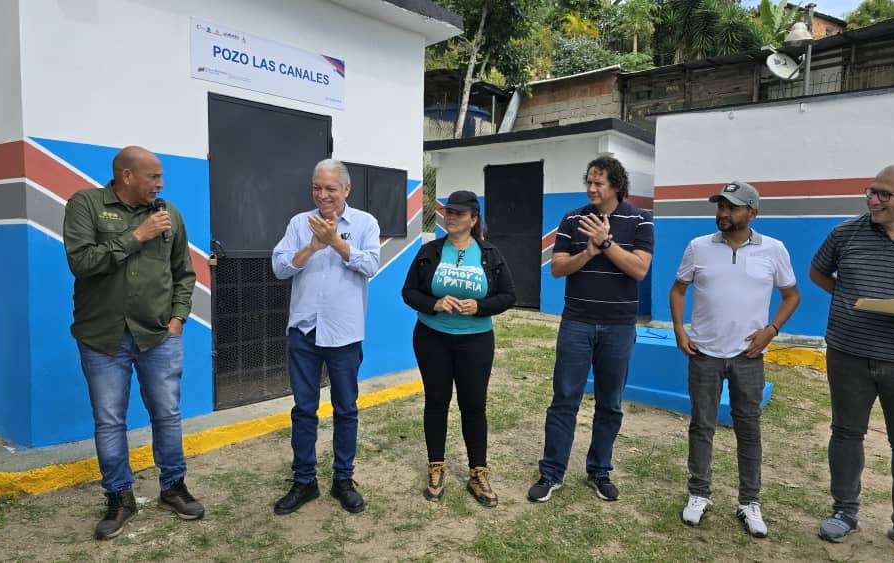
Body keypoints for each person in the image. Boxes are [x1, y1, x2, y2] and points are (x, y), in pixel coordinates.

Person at [63, 146, 203, 541]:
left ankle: (173, 487)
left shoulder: (169, 213)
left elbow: (184, 273)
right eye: (153, 177)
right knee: (110, 420)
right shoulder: (86, 205)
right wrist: (137, 236)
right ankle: (119, 497)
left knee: (167, 414)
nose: (160, 184)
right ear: (127, 176)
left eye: (161, 177)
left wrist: (177, 319)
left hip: (158, 335)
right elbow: (81, 262)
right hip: (102, 338)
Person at [810, 164, 894, 561]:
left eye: (884, 194)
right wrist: (847, 297)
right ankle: (844, 511)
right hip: (848, 352)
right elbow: (818, 272)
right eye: (871, 191)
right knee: (846, 433)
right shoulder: (846, 233)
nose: (872, 200)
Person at [669, 181, 800, 538]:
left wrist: (771, 330)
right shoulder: (698, 247)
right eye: (720, 206)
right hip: (704, 354)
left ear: (752, 213)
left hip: (748, 355)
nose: (723, 213)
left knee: (749, 427)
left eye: (731, 207)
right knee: (702, 425)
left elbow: (791, 295)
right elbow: (678, 289)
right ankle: (699, 493)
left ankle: (749, 501)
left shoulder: (774, 250)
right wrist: (679, 329)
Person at [528, 156, 654, 503]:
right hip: (577, 323)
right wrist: (588, 251)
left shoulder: (641, 220)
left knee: (610, 403)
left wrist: (607, 244)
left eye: (599, 183)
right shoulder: (572, 219)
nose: (591, 188)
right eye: (589, 182)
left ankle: (599, 472)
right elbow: (557, 269)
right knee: (564, 399)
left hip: (619, 326)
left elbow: (639, 270)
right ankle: (551, 473)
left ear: (617, 186)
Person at [272, 159, 380, 515]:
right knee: (304, 409)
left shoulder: (365, 223)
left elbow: (371, 266)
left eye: (330, 188)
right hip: (304, 331)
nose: (322, 195)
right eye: (317, 187)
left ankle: (343, 480)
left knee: (345, 409)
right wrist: (312, 247)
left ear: (347, 189)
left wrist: (336, 242)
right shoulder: (298, 223)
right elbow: (280, 267)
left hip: (344, 333)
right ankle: (304, 481)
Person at [402, 190, 516, 507]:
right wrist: (435, 303)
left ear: (473, 219)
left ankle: (477, 473)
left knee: (474, 405)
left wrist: (479, 307)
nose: (450, 217)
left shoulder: (489, 253)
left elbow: (508, 296)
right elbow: (408, 292)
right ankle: (435, 466)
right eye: (448, 212)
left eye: (459, 213)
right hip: (432, 338)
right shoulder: (430, 251)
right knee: (436, 401)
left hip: (476, 341)